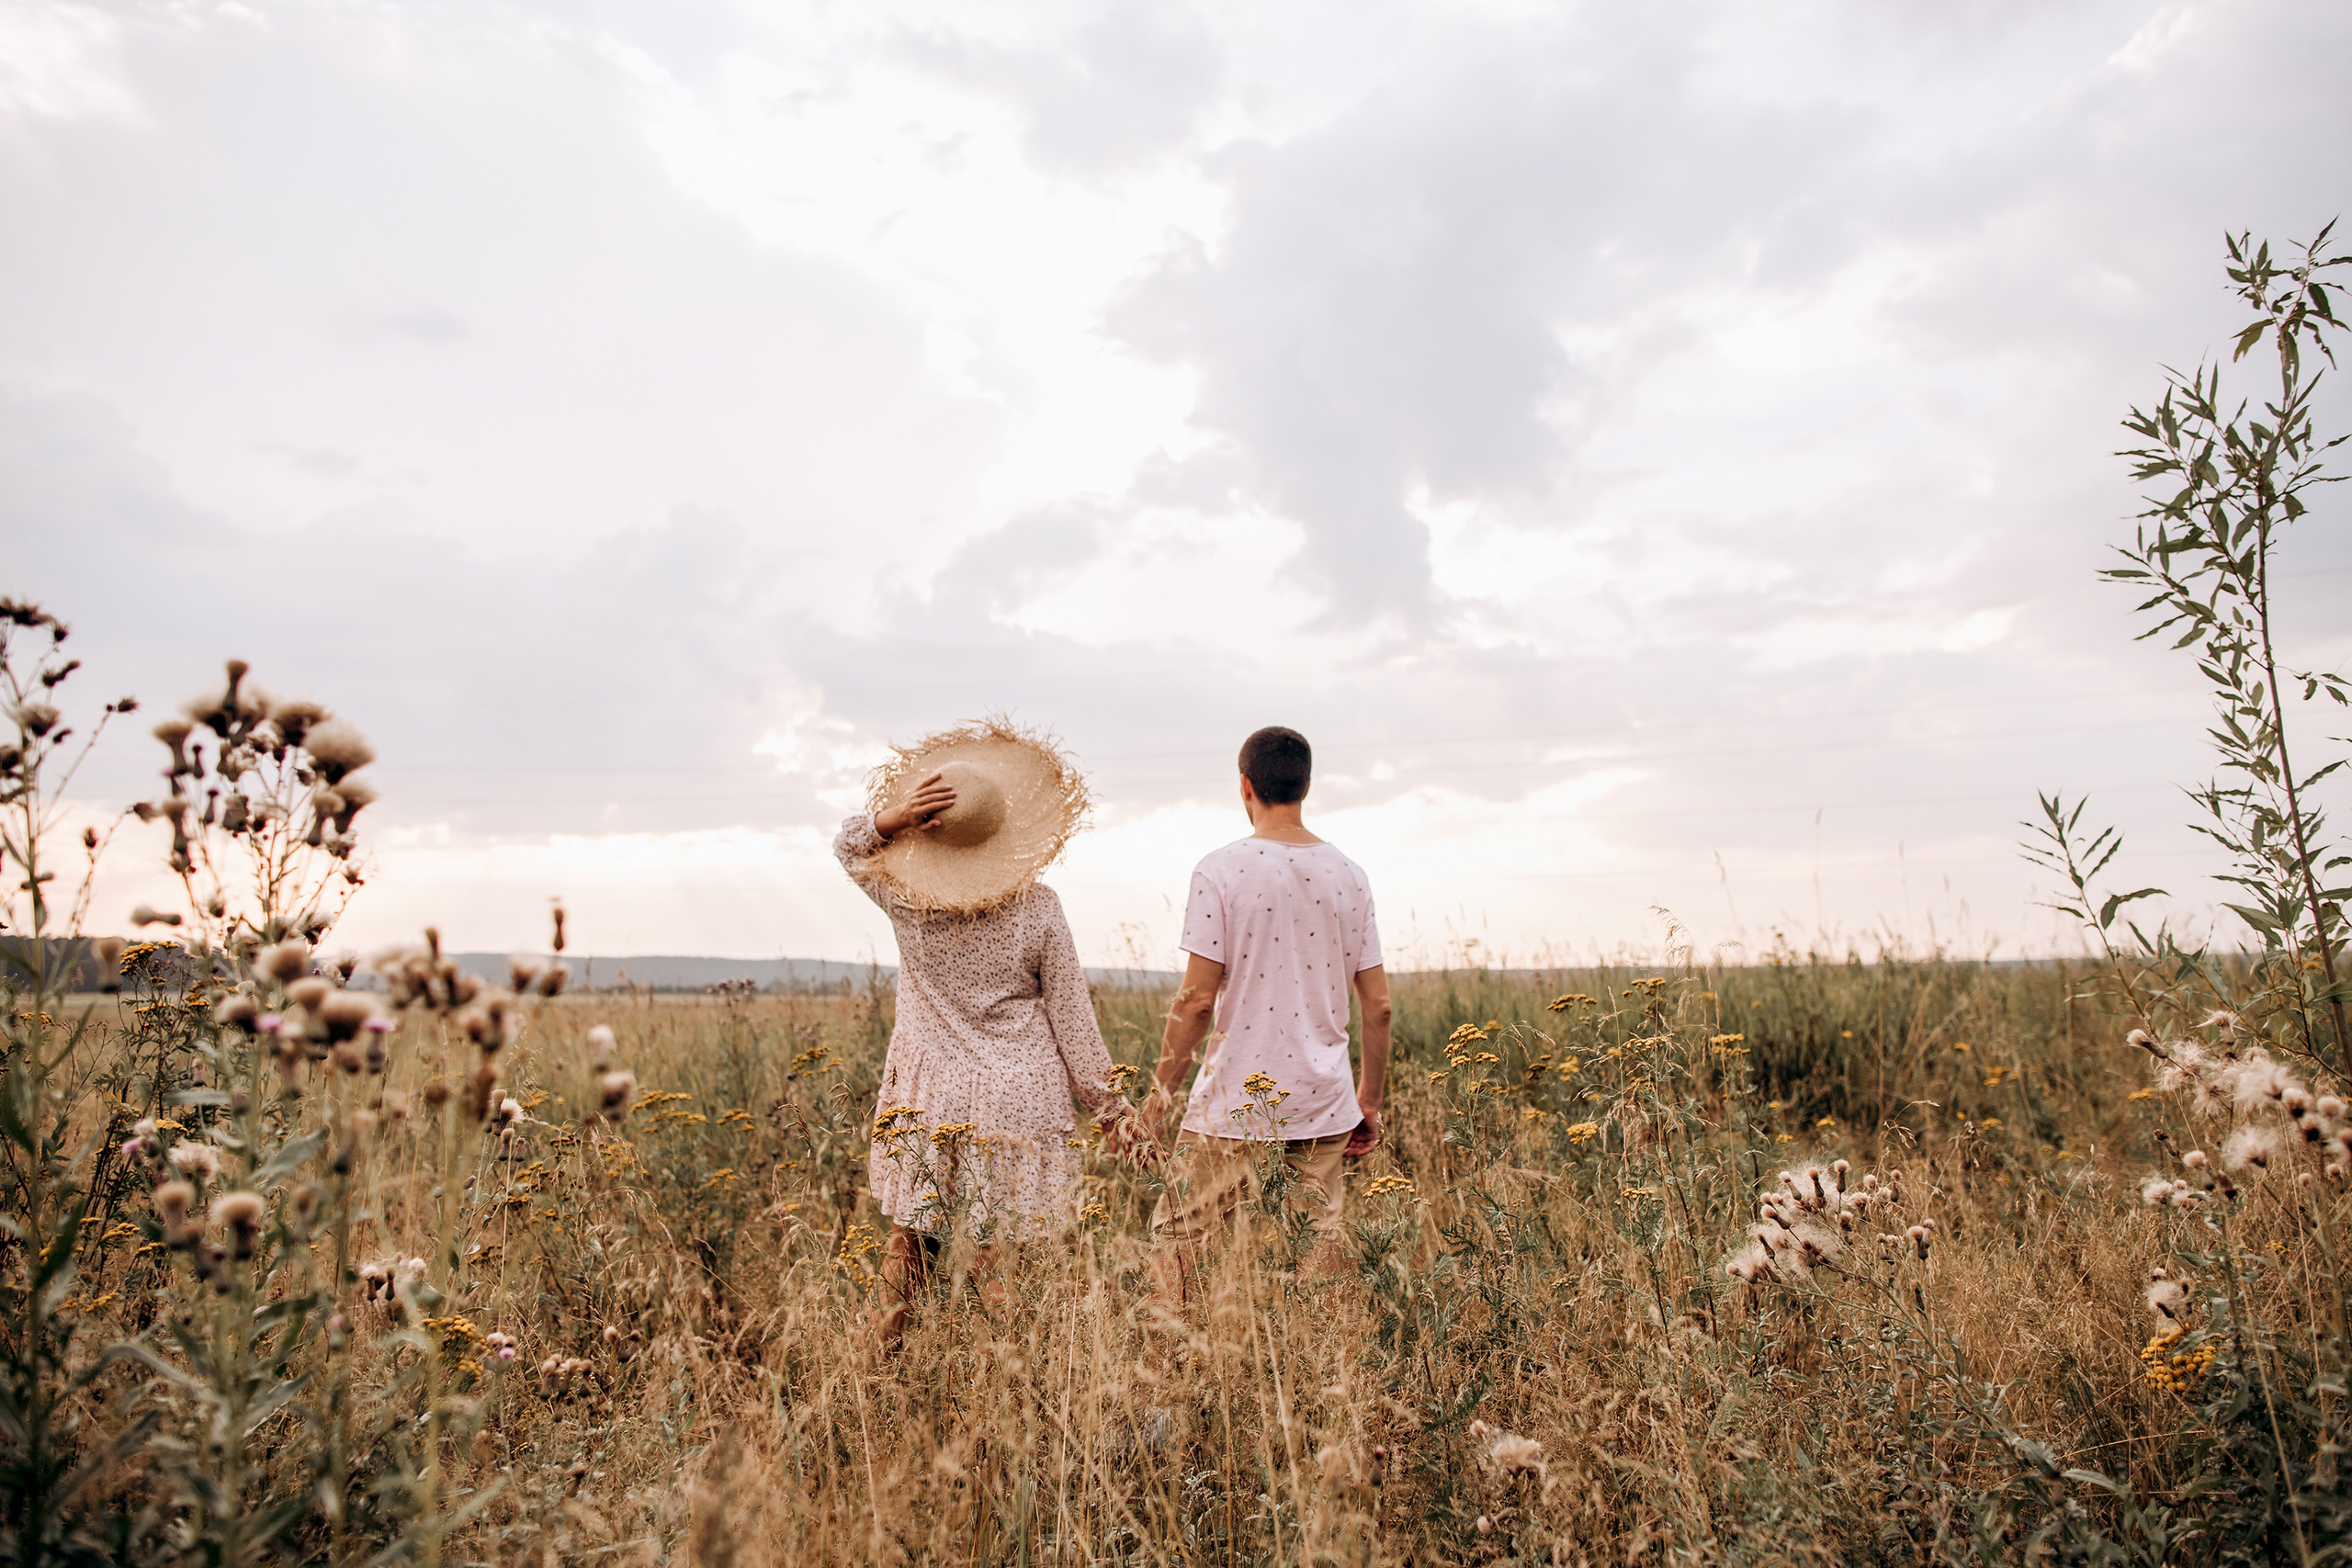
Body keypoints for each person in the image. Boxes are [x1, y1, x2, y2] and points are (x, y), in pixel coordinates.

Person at [834, 718, 1153, 1348]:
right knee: (999, 1265)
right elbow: (1074, 1020)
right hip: (1020, 1100)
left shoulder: (904, 898)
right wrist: (1113, 1111)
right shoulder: (1039, 907)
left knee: (907, 1257)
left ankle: (873, 1387)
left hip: (931, 1101)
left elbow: (849, 846)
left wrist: (895, 818)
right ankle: (1008, 1407)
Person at [1142, 725, 1391, 1303]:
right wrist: (1368, 1101)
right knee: (1316, 1244)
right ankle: (1321, 1372)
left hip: (1234, 1100)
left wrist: (1160, 1094)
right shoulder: (1350, 876)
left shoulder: (1220, 870)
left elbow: (1198, 1000)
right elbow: (1377, 1006)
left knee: (1179, 1238)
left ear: (1245, 786)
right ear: (1306, 786)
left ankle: (1170, 1365)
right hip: (1323, 1099)